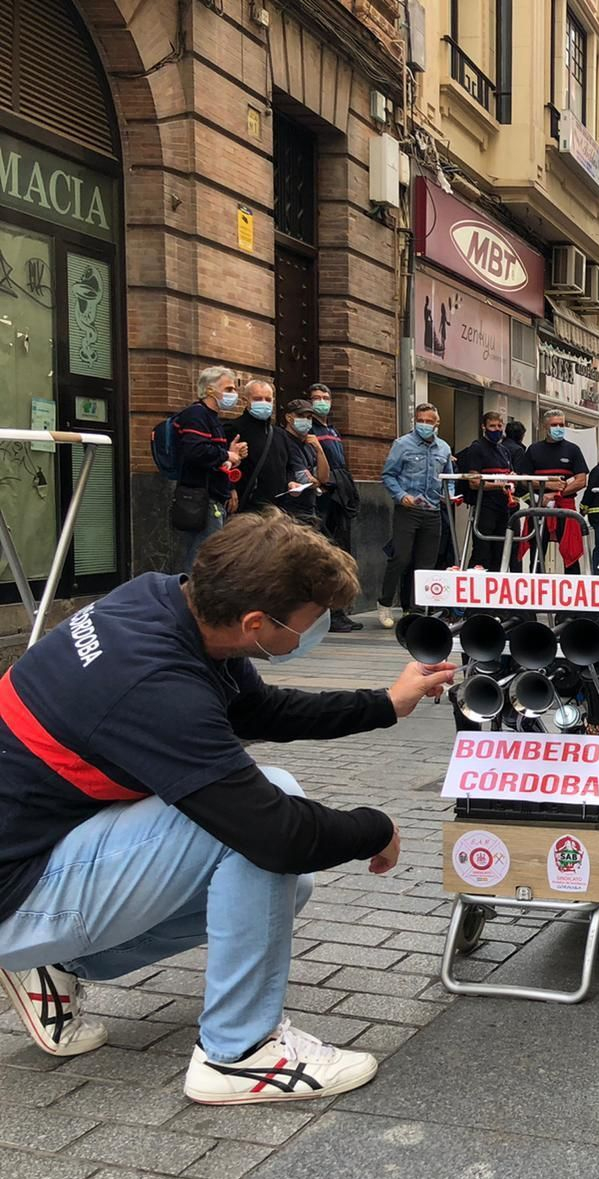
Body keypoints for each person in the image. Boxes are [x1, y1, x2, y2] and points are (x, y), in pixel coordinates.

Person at [0, 512, 455, 1101]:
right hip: (17, 890)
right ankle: (239, 1053)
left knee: (288, 886)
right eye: (308, 624)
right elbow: (274, 832)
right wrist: (375, 827)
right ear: (255, 623)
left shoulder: (159, 603)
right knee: (270, 816)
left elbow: (255, 712)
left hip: (40, 849)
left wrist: (385, 704)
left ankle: (58, 964)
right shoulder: (153, 686)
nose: (310, 635)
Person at [377, 403, 452, 627]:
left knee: (426, 563)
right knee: (400, 557)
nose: (425, 425)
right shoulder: (402, 444)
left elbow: (449, 479)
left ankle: (416, 609)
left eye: (429, 421)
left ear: (437, 423)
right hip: (408, 509)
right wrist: (401, 496)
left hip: (433, 511)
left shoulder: (444, 449)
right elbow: (388, 475)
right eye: (421, 420)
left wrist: (451, 496)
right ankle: (385, 603)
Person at [172, 366, 248, 573]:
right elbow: (194, 451)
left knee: (209, 557)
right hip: (202, 498)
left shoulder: (212, 418)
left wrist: (231, 457)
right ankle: (192, 600)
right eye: (229, 388)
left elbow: (210, 456)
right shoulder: (196, 414)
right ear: (210, 390)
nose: (233, 394)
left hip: (214, 496)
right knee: (201, 558)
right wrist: (226, 455)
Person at [309, 384, 362, 632]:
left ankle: (339, 610)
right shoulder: (309, 430)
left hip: (340, 496)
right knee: (326, 557)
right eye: (316, 398)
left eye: (325, 397)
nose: (322, 401)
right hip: (323, 499)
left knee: (342, 553)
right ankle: (328, 613)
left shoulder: (332, 429)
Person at [516, 411, 589, 573]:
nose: (558, 428)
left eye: (561, 425)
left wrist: (557, 494)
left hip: (565, 507)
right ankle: (536, 587)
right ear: (545, 427)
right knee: (537, 551)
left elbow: (581, 480)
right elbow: (523, 479)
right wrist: (546, 486)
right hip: (540, 507)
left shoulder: (573, 450)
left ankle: (573, 588)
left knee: (571, 553)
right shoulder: (534, 450)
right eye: (554, 425)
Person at [455, 410, 518, 571]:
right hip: (485, 506)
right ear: (484, 427)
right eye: (492, 426)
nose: (496, 429)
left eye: (499, 426)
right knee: (482, 551)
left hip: (504, 506)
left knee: (500, 550)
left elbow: (509, 474)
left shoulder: (504, 450)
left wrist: (512, 479)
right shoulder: (477, 448)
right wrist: (499, 485)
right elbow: (474, 482)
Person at [225, 380, 290, 517]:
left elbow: (288, 467)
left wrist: (291, 483)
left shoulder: (280, 434)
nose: (263, 403)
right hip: (246, 506)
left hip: (277, 507)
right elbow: (221, 464)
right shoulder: (233, 429)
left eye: (268, 399)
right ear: (246, 400)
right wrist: (230, 489)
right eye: (257, 399)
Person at [274, 399, 330, 526]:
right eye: (300, 416)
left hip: (310, 508)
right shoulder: (282, 438)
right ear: (289, 417)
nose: (306, 420)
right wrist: (315, 482)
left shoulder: (309, 444)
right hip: (289, 510)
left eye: (309, 417)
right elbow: (307, 480)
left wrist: (319, 450)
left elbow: (324, 478)